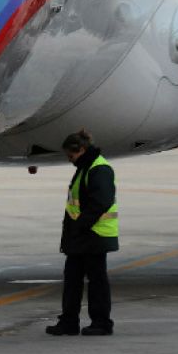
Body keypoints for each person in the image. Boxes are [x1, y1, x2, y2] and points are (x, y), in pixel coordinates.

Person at [46, 130, 118, 336]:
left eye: (71, 156)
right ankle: (69, 321)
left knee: (97, 282)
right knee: (72, 280)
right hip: (81, 236)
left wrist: (81, 226)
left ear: (82, 150)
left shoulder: (99, 169)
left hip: (94, 235)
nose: (70, 160)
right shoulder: (86, 166)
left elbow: (102, 201)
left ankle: (102, 323)